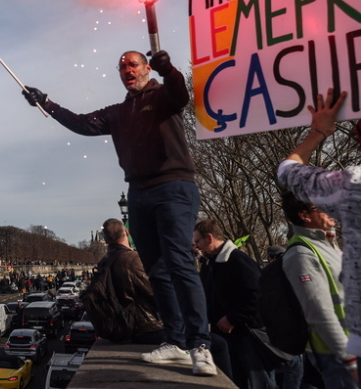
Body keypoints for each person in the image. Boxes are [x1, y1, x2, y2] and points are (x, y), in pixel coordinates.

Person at [23, 50, 214, 376]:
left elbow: (180, 95)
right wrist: (48, 104)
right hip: (139, 192)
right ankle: (177, 342)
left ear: (146, 68)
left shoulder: (163, 96)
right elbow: (82, 123)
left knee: (179, 261)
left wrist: (170, 71)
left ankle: (199, 345)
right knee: (157, 271)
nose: (127, 69)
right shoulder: (120, 112)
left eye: (132, 64)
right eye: (122, 65)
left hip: (173, 185)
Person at [277, 89, 359, 387]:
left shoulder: (350, 189)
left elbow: (287, 170)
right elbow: (320, 311)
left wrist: (317, 133)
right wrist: (348, 357)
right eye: (320, 207)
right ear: (305, 215)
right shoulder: (302, 253)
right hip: (343, 355)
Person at [193, 219, 276, 389]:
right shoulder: (212, 264)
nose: (196, 246)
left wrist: (233, 318)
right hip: (231, 337)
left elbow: (259, 295)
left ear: (209, 238)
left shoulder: (238, 261)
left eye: (198, 241)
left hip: (247, 335)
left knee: (258, 382)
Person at [87, 218, 165, 344]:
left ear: (106, 240)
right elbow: (154, 293)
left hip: (122, 326)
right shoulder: (132, 259)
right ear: (127, 233)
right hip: (146, 327)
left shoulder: (104, 262)